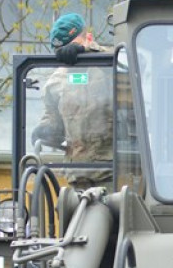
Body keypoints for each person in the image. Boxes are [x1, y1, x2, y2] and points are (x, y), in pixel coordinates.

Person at [31, 13, 113, 190]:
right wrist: (45, 130)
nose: (70, 53)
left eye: (73, 45)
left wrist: (88, 52)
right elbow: (55, 123)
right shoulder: (56, 82)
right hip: (77, 176)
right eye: (64, 50)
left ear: (88, 37)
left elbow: (135, 62)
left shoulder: (110, 64)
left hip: (114, 174)